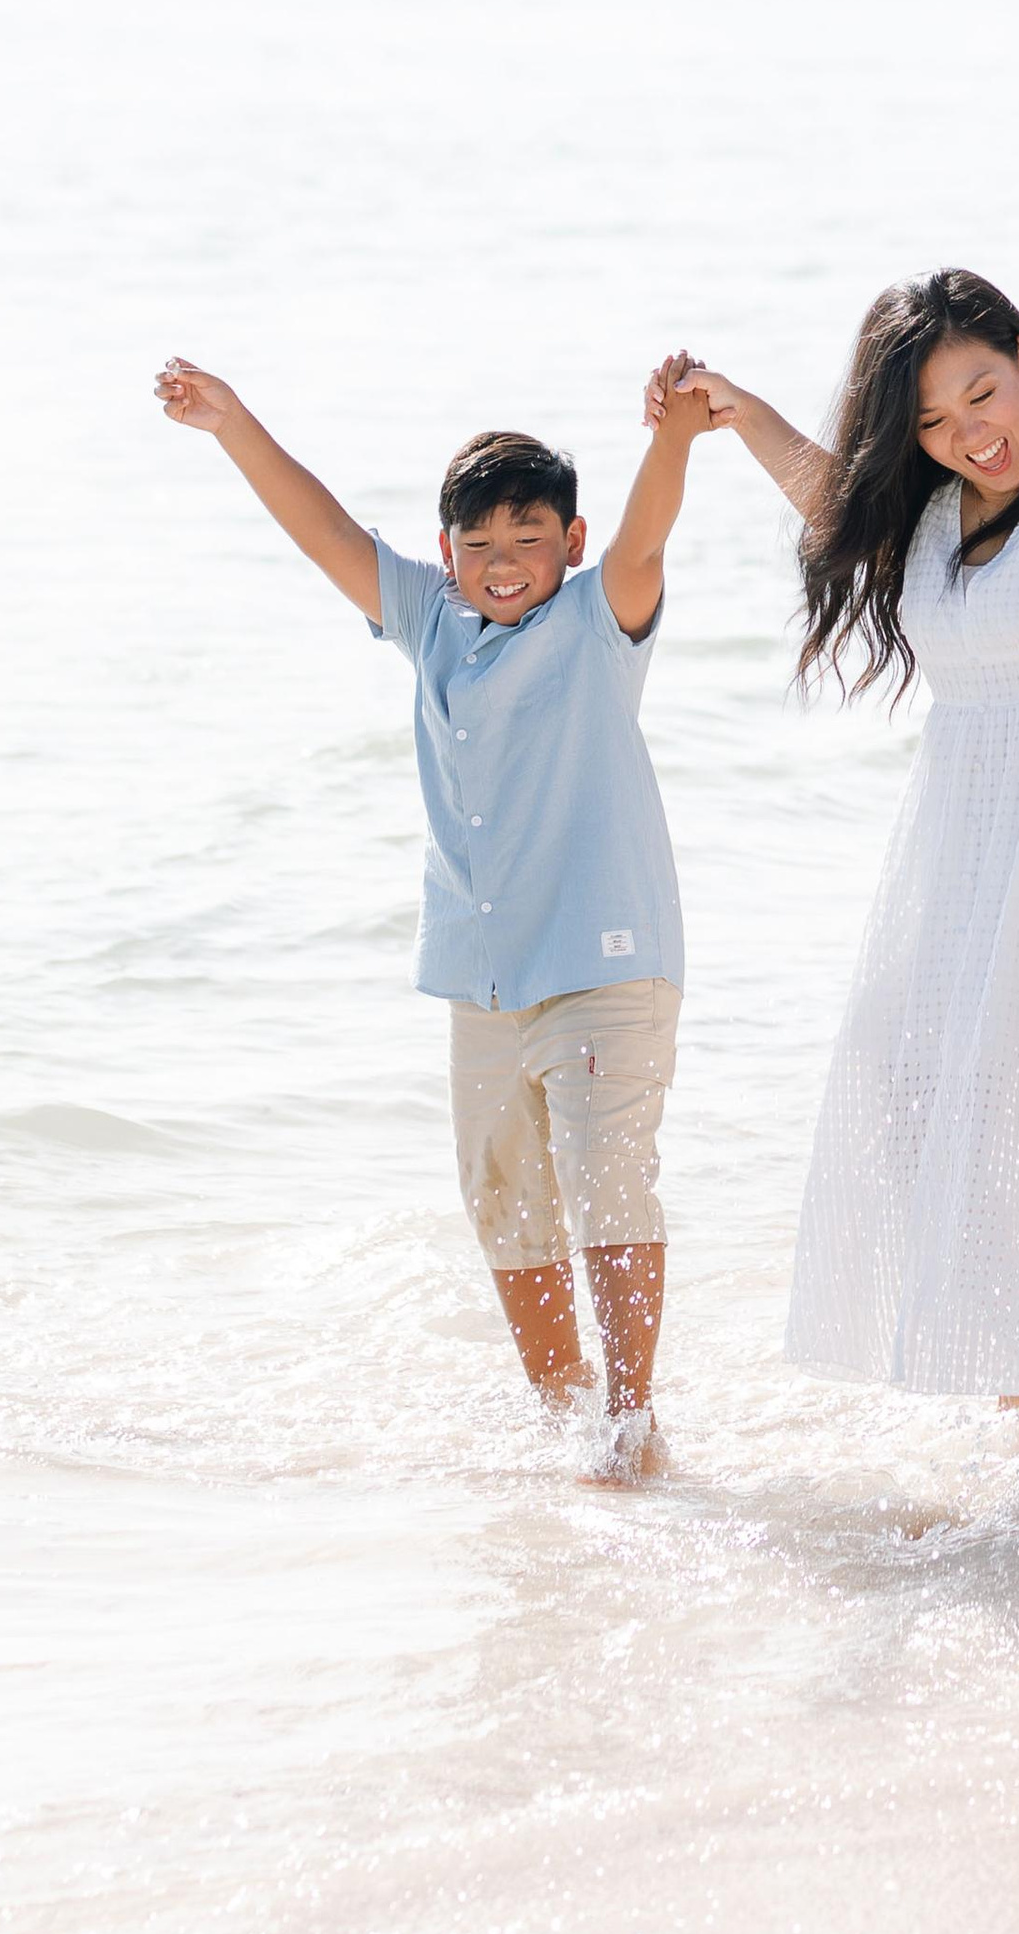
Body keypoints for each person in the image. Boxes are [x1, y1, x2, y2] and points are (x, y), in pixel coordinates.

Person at [152, 350, 729, 1480]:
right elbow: (323, 531)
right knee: (504, 1197)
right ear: (445, 549)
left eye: (527, 539)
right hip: (484, 968)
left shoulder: (599, 618)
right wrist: (232, 423)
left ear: (568, 542)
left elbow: (650, 534)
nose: (503, 563)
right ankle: (563, 1419)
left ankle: (631, 1421)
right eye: (478, 544)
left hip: (605, 954)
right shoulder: (427, 621)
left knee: (605, 1173)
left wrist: (673, 436)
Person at [672, 272, 1019, 1436]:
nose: (973, 433)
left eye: (983, 391)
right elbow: (836, 506)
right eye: (934, 420)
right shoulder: (937, 520)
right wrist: (740, 410)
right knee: (936, 1118)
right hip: (960, 865)